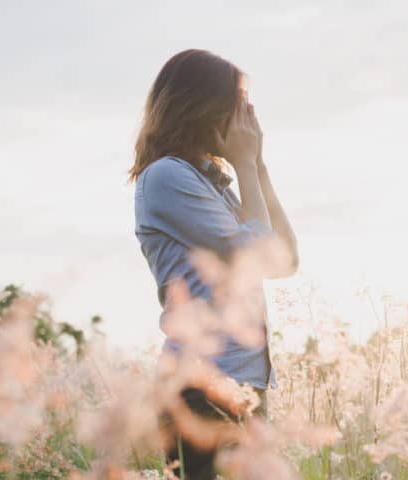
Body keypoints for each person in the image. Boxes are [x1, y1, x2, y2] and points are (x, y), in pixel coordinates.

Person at [128, 49, 298, 479]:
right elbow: (255, 254)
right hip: (200, 387)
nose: (247, 120)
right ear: (205, 107)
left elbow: (285, 260)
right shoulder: (166, 176)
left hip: (244, 382)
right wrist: (244, 163)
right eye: (239, 106)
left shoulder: (212, 184)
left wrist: (257, 167)